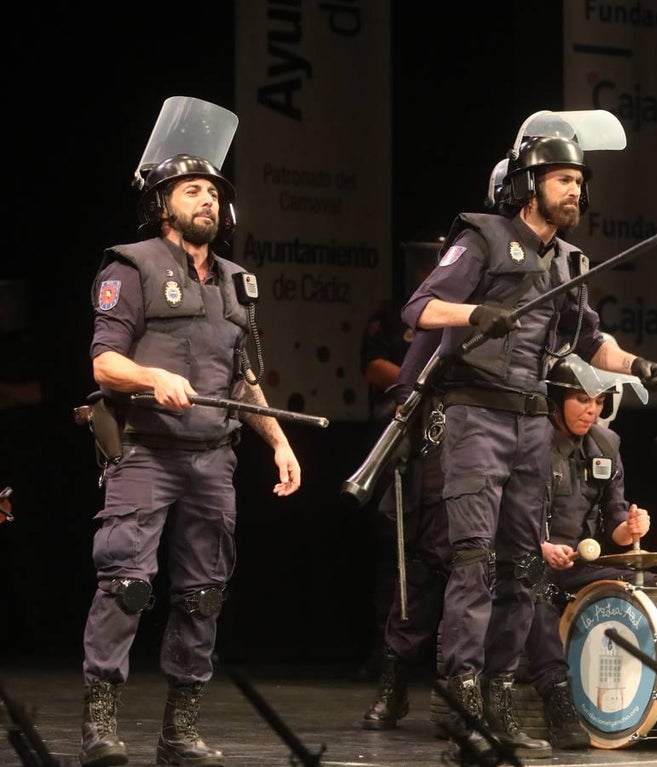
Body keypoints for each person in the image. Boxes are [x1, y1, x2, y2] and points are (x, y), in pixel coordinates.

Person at [399, 110, 657, 758]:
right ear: (528, 181)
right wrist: (476, 312)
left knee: (522, 568)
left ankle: (499, 703)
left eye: (580, 179)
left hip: (528, 421)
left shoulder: (569, 260)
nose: (575, 189)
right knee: (472, 567)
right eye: (562, 178)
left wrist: (635, 364)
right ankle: (461, 712)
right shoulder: (484, 237)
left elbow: (590, 339)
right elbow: (420, 309)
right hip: (475, 417)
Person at [79, 153, 302, 767]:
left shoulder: (235, 280)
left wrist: (278, 441)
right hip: (146, 453)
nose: (207, 200)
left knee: (204, 595)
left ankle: (180, 732)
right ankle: (100, 726)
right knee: (126, 585)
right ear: (163, 205)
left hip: (212, 460)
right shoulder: (132, 265)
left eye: (213, 192)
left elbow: (244, 379)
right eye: (192, 191)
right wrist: (151, 377)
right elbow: (104, 364)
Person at [506, 354, 657, 750]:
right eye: (582, 399)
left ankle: (656, 697)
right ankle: (559, 697)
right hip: (531, 555)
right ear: (557, 399)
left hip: (582, 562)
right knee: (537, 590)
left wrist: (631, 526)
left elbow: (615, 516)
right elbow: (509, 511)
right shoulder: (531, 442)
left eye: (598, 401)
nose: (591, 409)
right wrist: (542, 547)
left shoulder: (607, 443)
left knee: (653, 587)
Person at [360, 326, 453, 730]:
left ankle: (467, 694)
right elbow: (404, 385)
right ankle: (393, 686)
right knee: (414, 583)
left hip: (488, 464)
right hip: (435, 460)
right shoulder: (439, 329)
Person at [357, 238, 440, 681]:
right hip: (398, 435)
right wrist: (422, 379)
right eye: (425, 264)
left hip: (447, 440)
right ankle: (384, 653)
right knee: (394, 547)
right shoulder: (394, 313)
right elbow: (373, 366)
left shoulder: (462, 315)